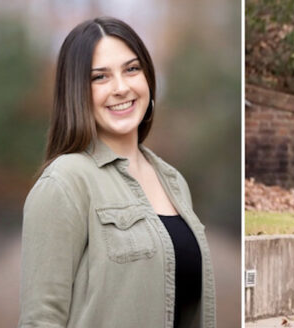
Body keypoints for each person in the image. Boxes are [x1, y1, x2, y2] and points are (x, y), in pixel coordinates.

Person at [18, 17, 215, 328]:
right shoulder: (64, 183)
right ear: (76, 92)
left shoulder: (174, 182)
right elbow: (41, 320)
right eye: (100, 77)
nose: (121, 88)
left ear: (149, 77)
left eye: (131, 69)